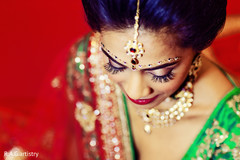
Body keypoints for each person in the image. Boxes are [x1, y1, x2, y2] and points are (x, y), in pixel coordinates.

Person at [2, 0, 240, 159]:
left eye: (161, 73)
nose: (136, 92)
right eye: (115, 65)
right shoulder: (88, 60)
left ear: (199, 48)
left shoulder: (231, 135)